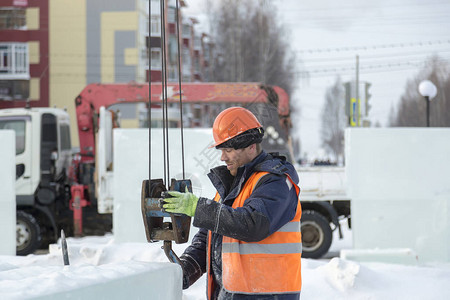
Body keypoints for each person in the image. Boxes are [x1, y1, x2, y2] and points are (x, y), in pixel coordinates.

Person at [163, 107, 302, 299]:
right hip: (232, 294)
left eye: (228, 150)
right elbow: (209, 237)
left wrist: (198, 208)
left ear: (251, 146)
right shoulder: (233, 185)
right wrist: (186, 268)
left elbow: (253, 224)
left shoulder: (276, 182)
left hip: (267, 295)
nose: (222, 157)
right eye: (221, 150)